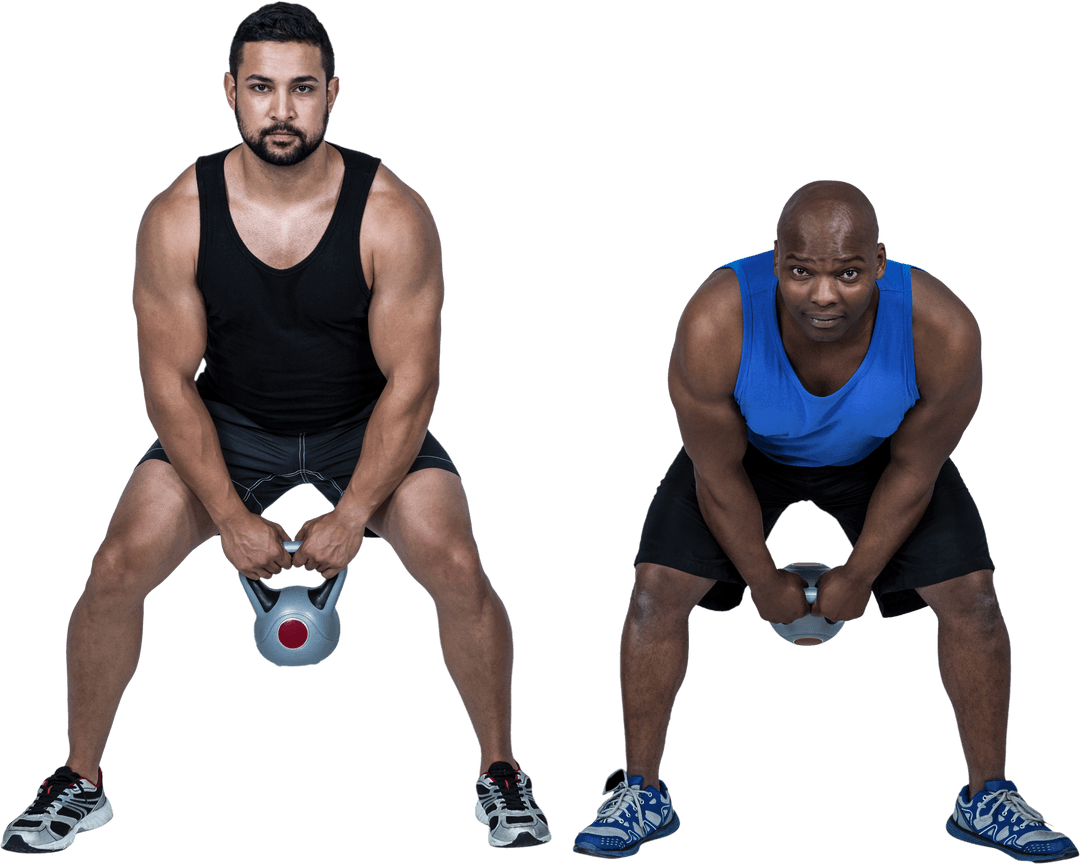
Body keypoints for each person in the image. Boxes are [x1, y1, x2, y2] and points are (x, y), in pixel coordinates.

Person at [1, 3, 550, 854]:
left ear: (333, 93)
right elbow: (167, 383)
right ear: (230, 92)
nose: (282, 110)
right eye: (262, 88)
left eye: (302, 88)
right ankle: (80, 777)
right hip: (230, 424)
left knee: (454, 561)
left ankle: (501, 771)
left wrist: (353, 511)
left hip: (363, 423)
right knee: (115, 567)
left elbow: (413, 383)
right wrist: (227, 515)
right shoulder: (178, 214)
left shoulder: (392, 212)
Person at [572, 180, 1077, 862]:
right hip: (750, 454)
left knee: (974, 600)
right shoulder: (716, 322)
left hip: (881, 455)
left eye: (848, 274)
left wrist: (859, 576)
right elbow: (716, 474)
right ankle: (641, 791)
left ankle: (987, 796)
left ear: (880, 264)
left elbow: (915, 470)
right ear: (776, 261)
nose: (823, 296)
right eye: (801, 272)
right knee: (655, 590)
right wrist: (762, 582)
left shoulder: (943, 331)